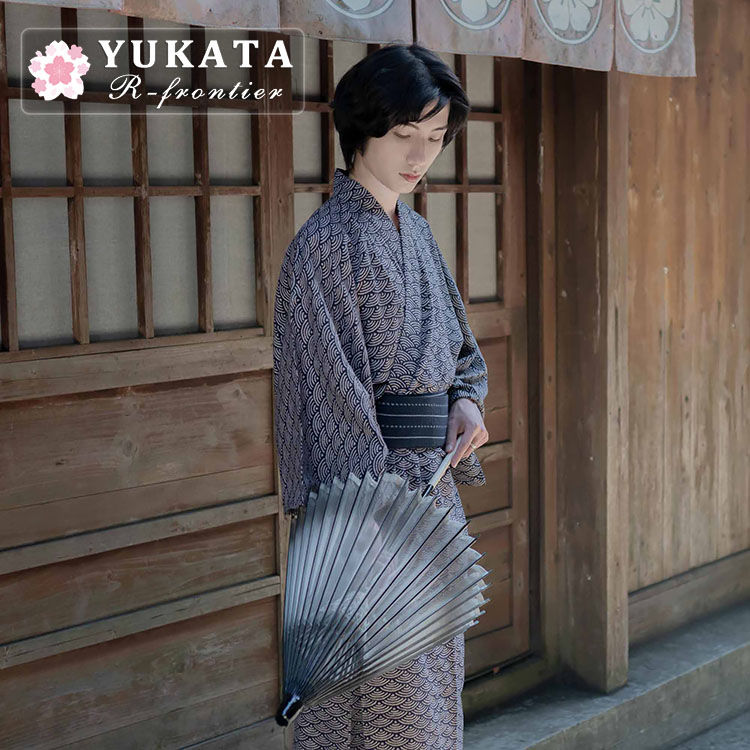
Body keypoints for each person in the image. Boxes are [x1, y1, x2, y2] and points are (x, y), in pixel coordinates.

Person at [272, 43, 489, 750]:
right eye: (404, 135)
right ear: (362, 129)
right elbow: (327, 396)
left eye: (436, 137)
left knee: (432, 691)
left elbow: (460, 355)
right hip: (367, 514)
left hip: (431, 497)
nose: (421, 156)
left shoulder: (418, 234)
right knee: (381, 700)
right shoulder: (323, 247)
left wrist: (465, 404)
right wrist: (377, 517)